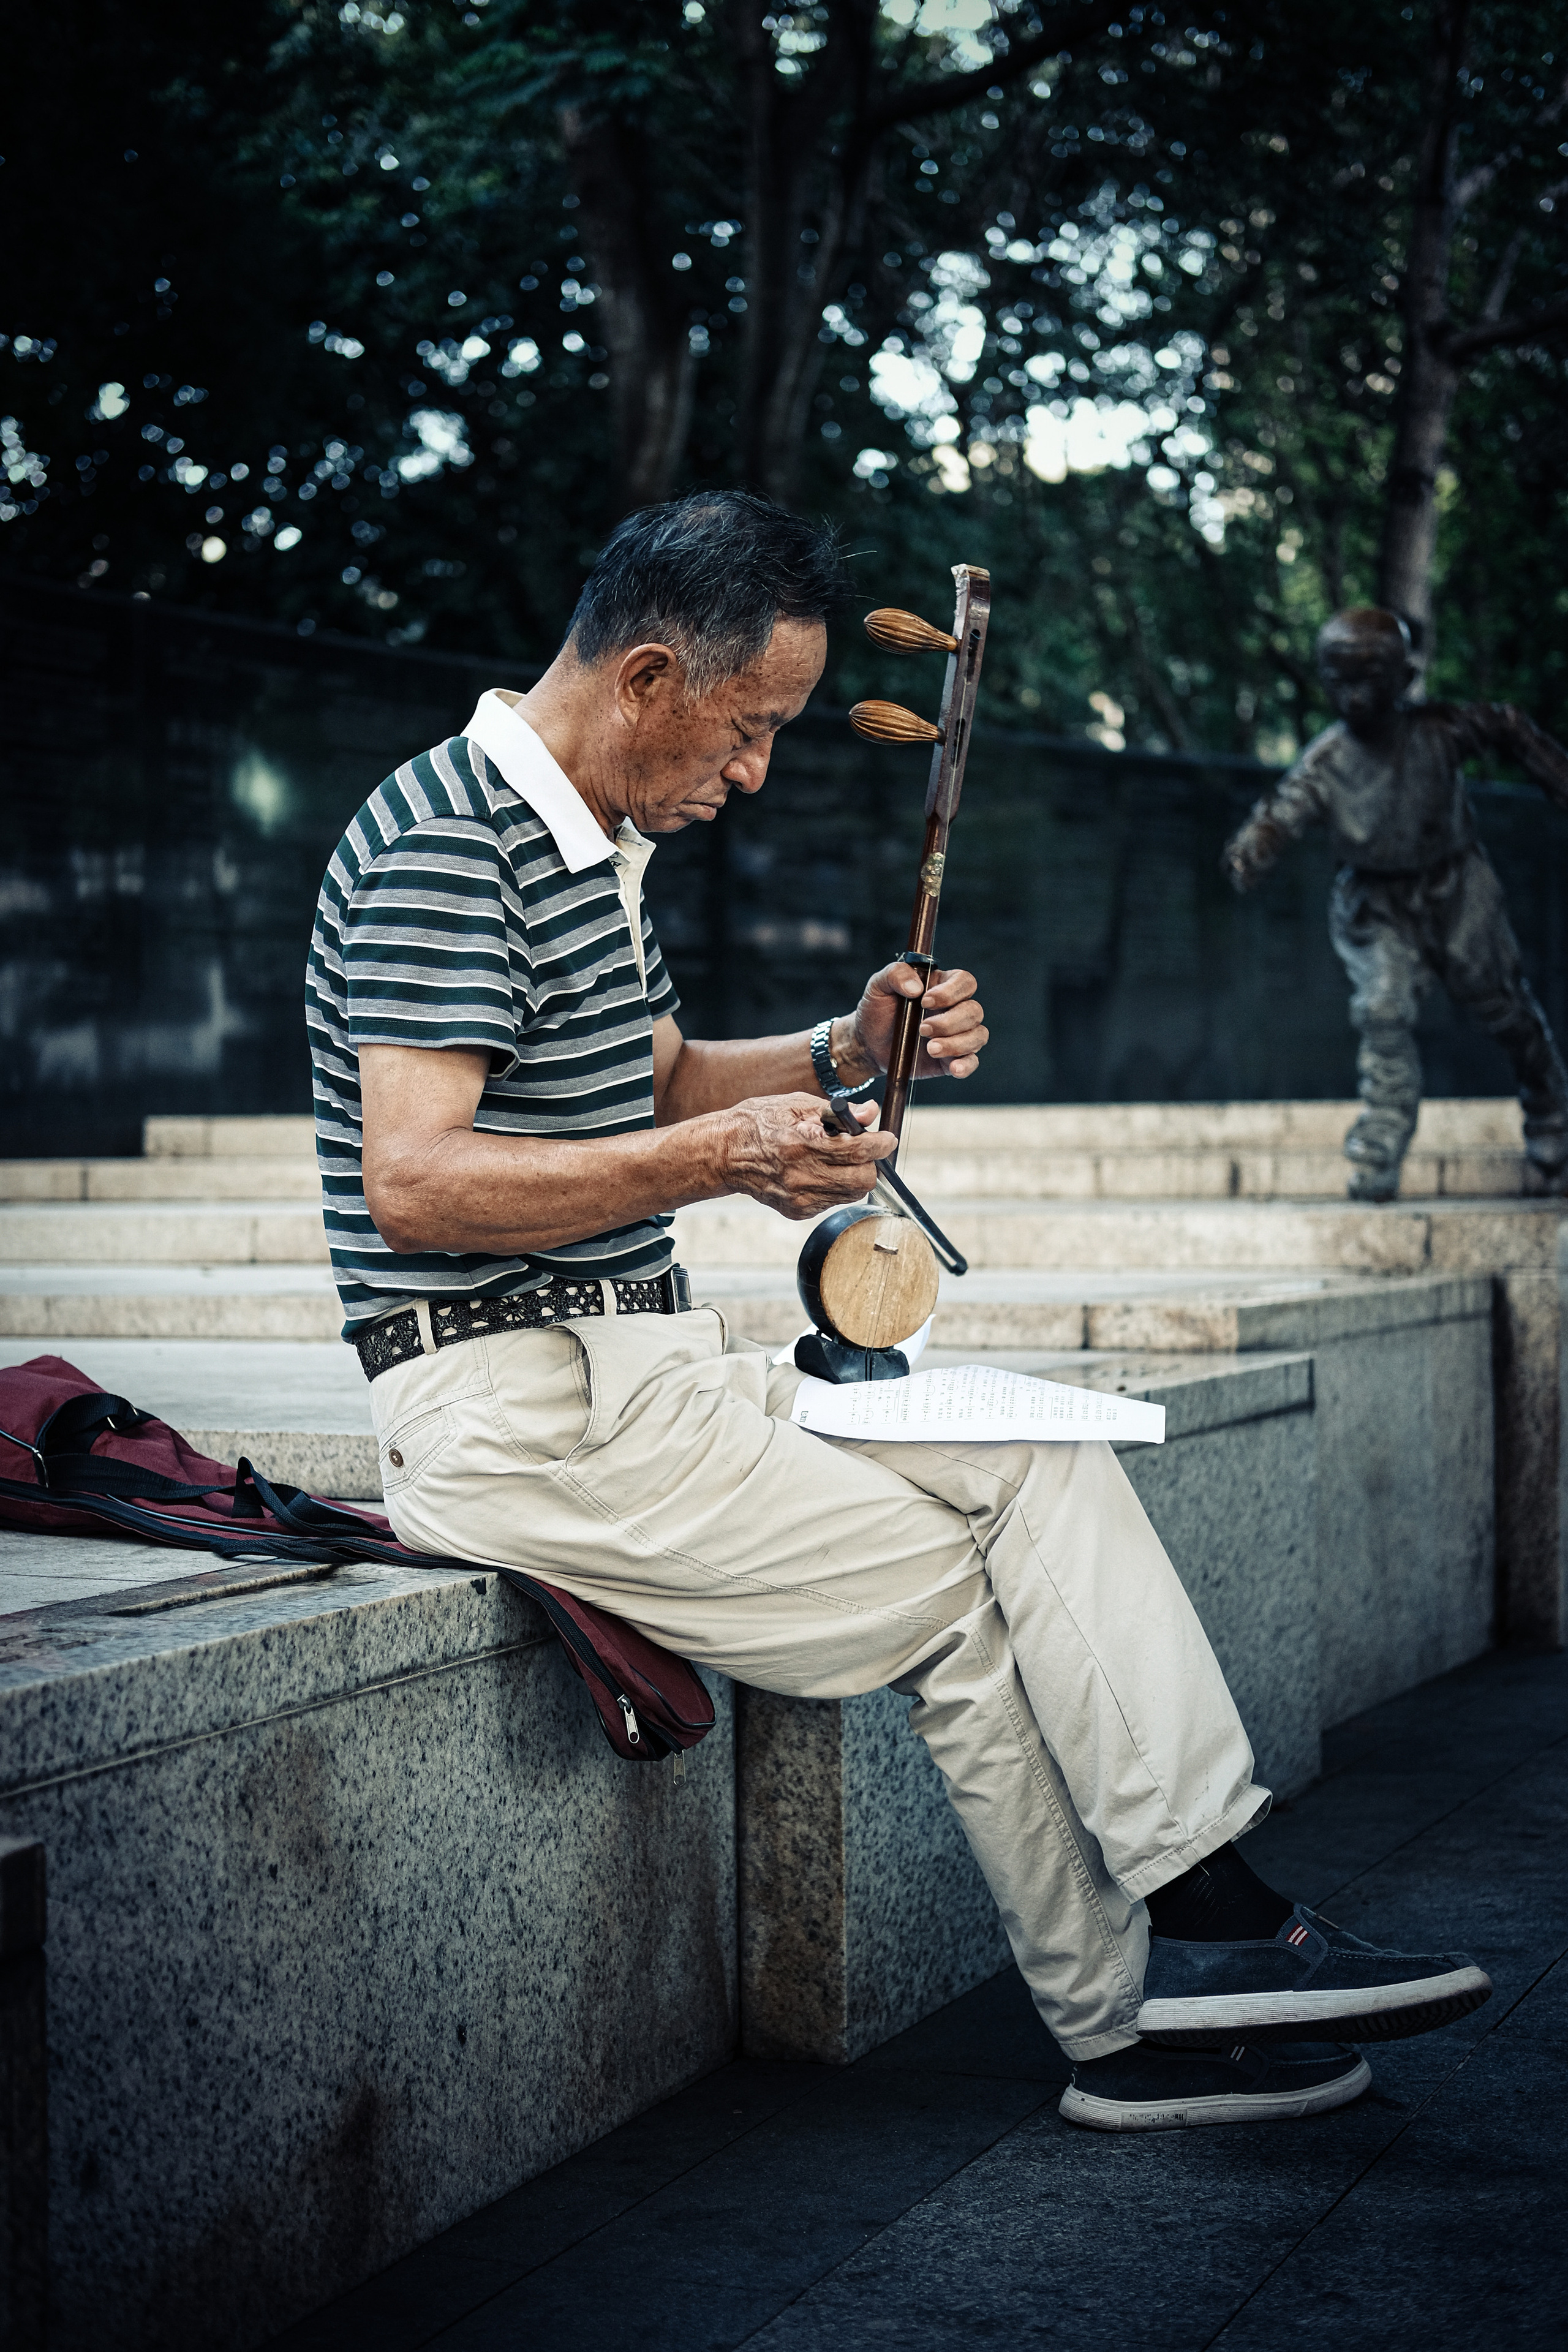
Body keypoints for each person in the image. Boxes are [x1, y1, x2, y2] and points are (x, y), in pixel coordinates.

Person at [307, 494, 1490, 2133]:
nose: (756, 772)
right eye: (750, 729)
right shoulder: (451, 838)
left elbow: (648, 1085)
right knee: (965, 1592)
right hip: (526, 1414)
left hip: (647, 1383)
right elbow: (417, 1184)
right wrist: (724, 1158)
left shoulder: (592, 843)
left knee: (1030, 1458)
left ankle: (1215, 1908)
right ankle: (1142, 2010)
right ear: (650, 677)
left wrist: (837, 1051)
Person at [1223, 605, 1568, 1200]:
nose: (1355, 696)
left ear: (1403, 679)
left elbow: (1508, 728)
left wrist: (1553, 772)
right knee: (1381, 1009)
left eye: (1371, 680)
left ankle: (1551, 1110)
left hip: (1455, 886)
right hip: (1374, 901)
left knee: (1501, 1004)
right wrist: (1254, 847)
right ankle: (1379, 1146)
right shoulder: (1328, 760)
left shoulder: (1438, 730)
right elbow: (1286, 808)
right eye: (1339, 680)